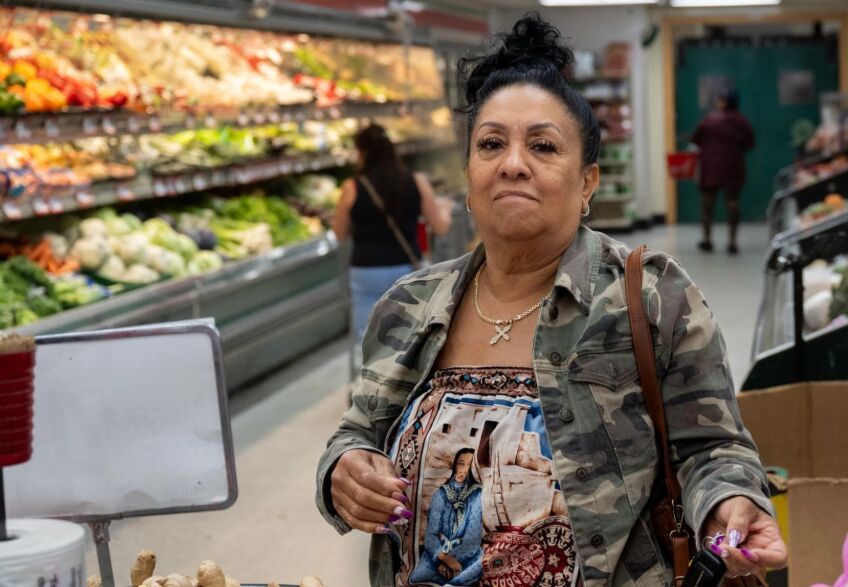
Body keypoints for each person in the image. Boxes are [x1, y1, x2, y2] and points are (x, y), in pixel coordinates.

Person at [317, 14, 786, 586]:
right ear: (469, 175)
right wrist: (341, 472)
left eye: (543, 145)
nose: (513, 162)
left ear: (588, 181)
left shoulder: (650, 297)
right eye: (491, 143)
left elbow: (714, 448)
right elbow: (356, 434)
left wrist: (729, 501)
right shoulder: (408, 306)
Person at [332, 123, 451, 344]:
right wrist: (444, 209)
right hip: (406, 268)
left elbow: (339, 233)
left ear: (363, 152)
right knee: (411, 335)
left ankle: (375, 376)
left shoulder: (352, 187)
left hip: (366, 271)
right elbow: (441, 226)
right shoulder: (416, 180)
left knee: (370, 339)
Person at [691, 89, 755, 255]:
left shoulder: (709, 119)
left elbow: (696, 138)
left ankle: (707, 240)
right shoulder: (741, 121)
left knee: (707, 204)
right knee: (733, 203)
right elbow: (750, 142)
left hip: (710, 167)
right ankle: (732, 241)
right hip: (733, 167)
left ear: (725, 103)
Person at [409, 448, 483, 585]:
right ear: (455, 465)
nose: (465, 469)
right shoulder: (441, 493)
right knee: (421, 574)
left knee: (475, 572)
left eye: (470, 465)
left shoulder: (477, 494)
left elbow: (473, 536)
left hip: (467, 555)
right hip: (437, 555)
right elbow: (431, 534)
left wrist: (455, 559)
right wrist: (443, 559)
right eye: (461, 463)